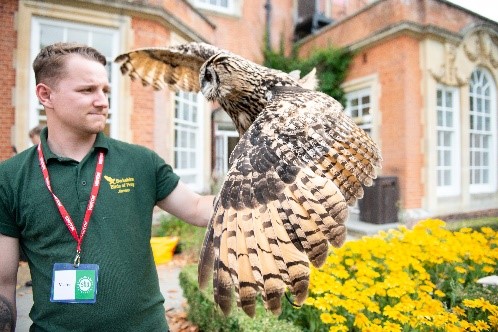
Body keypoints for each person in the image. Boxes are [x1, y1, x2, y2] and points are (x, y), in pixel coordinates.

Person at [0, 42, 214, 332]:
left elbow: (199, 209)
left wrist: (269, 194)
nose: (103, 101)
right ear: (45, 94)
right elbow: (4, 285)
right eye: (87, 90)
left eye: (106, 91)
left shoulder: (141, 162)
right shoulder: (10, 177)